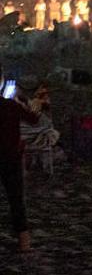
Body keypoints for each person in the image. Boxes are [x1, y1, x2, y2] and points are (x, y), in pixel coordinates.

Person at [0, 77, 43, 252]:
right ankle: (24, 242)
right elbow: (33, 119)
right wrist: (22, 101)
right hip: (11, 157)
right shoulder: (10, 105)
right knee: (16, 199)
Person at [15, 79, 59, 153]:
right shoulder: (28, 103)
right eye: (42, 94)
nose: (46, 97)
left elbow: (40, 121)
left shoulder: (38, 106)